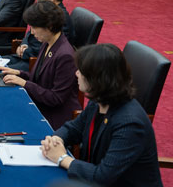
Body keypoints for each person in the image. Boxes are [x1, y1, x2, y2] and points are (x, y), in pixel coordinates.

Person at [41, 44, 162, 186]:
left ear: (96, 79)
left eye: (81, 71)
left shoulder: (130, 124)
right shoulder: (99, 101)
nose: (76, 74)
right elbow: (73, 128)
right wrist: (56, 140)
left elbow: (102, 176)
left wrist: (62, 158)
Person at [0, 1, 80, 129]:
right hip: (40, 104)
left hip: (53, 117)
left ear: (49, 26)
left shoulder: (65, 56)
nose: (32, 33)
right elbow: (41, 78)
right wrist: (18, 73)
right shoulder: (47, 42)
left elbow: (56, 98)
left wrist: (24, 83)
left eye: (34, 28)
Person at [7, 0, 75, 71]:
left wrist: (26, 52)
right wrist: (24, 44)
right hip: (26, 56)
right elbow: (30, 32)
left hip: (36, 63)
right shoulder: (43, 10)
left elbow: (52, 49)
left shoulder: (59, 18)